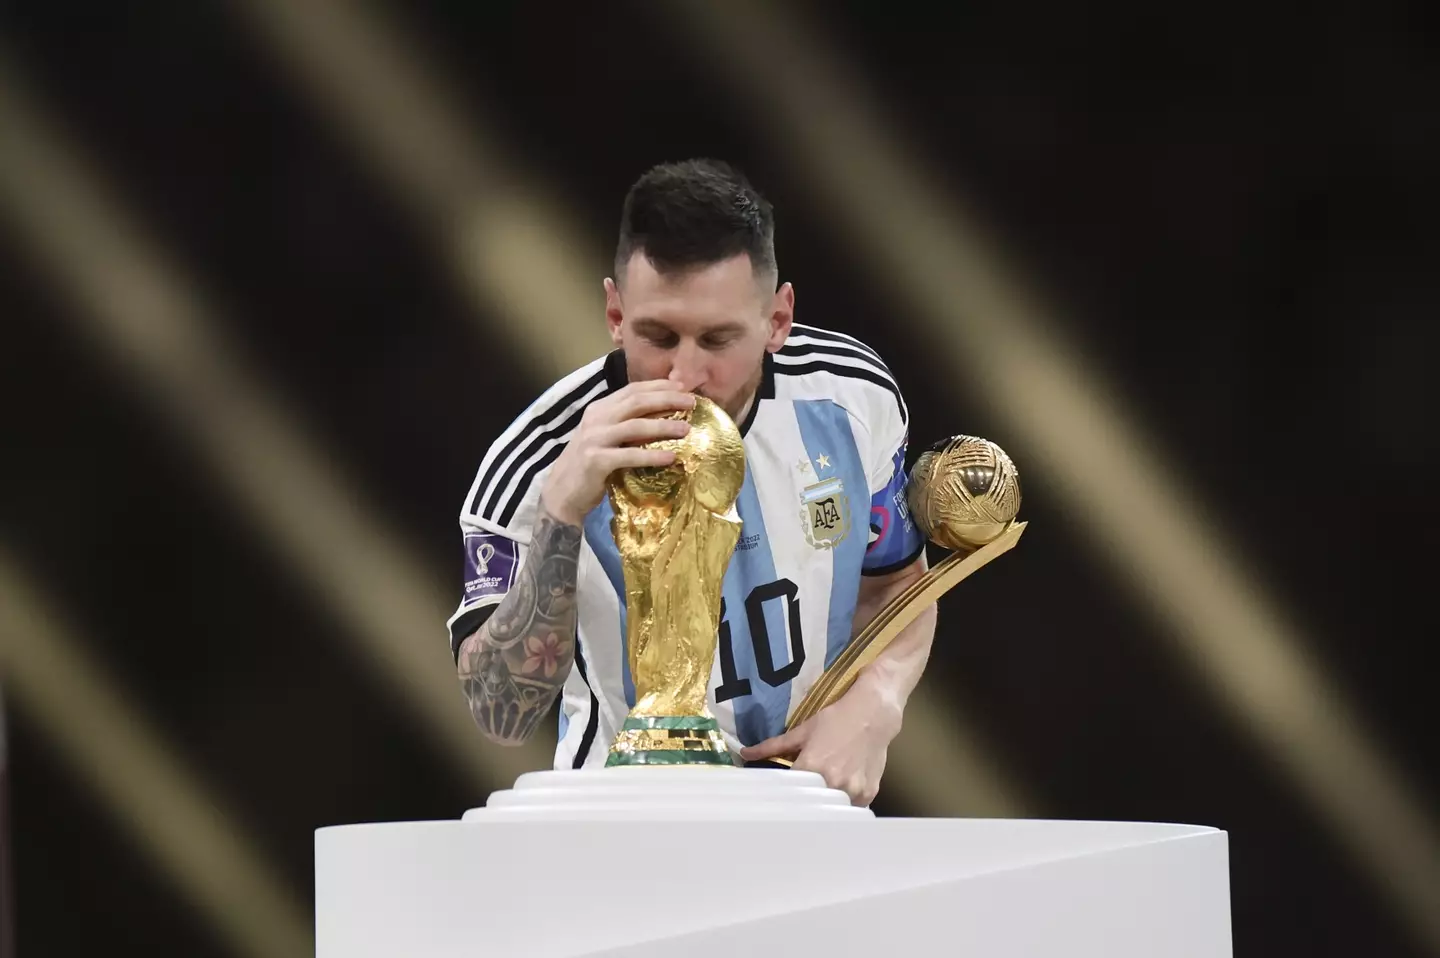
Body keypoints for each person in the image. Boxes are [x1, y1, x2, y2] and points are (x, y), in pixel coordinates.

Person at [447, 158, 936, 806]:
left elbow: (899, 586)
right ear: (615, 313)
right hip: (616, 832)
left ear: (778, 320)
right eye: (657, 335)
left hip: (810, 812)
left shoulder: (852, 398)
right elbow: (501, 713)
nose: (684, 374)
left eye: (717, 338)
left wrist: (878, 700)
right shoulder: (534, 464)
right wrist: (561, 512)